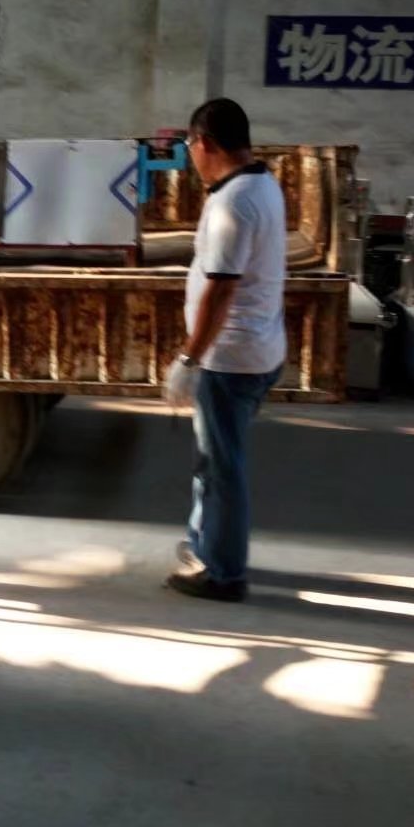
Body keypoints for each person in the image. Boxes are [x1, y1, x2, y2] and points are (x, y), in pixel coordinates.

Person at [163, 98, 286, 602]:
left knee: (220, 467)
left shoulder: (233, 202)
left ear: (205, 143)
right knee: (212, 461)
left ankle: (224, 573)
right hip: (257, 347)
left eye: (189, 145)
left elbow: (220, 291)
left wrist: (189, 359)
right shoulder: (263, 183)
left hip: (229, 359)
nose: (190, 155)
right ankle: (207, 544)